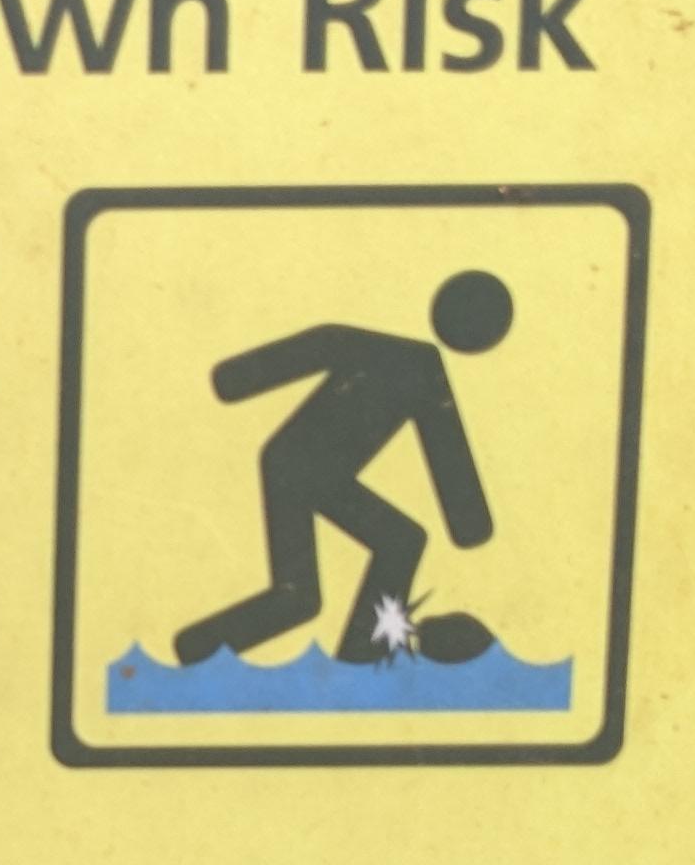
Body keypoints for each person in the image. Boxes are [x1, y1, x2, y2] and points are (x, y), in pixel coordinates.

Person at [174, 269, 512, 668]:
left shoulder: (404, 360)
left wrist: (234, 379)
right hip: (298, 470)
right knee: (376, 555)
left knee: (310, 590)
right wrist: (470, 527)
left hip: (302, 469)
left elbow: (447, 453)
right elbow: (324, 343)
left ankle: (201, 649)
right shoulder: (418, 366)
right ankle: (355, 654)